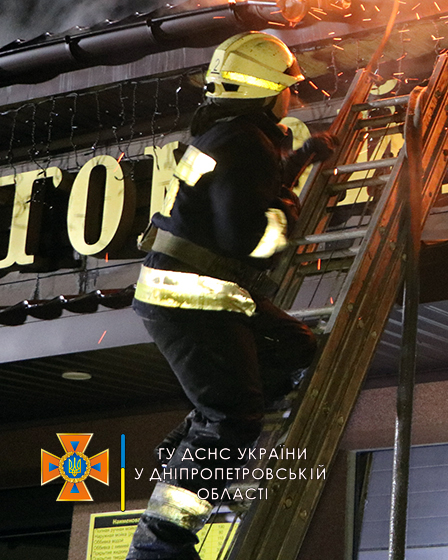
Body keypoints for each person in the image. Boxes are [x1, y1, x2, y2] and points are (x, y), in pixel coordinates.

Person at [127, 32, 333, 560]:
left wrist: (299, 162)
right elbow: (253, 240)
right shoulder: (247, 143)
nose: (292, 96)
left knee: (293, 347)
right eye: (287, 87)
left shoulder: (228, 137)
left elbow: (234, 200)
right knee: (234, 418)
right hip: (193, 296)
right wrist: (287, 205)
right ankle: (160, 544)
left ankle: (196, 430)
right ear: (269, 93)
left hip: (194, 290)